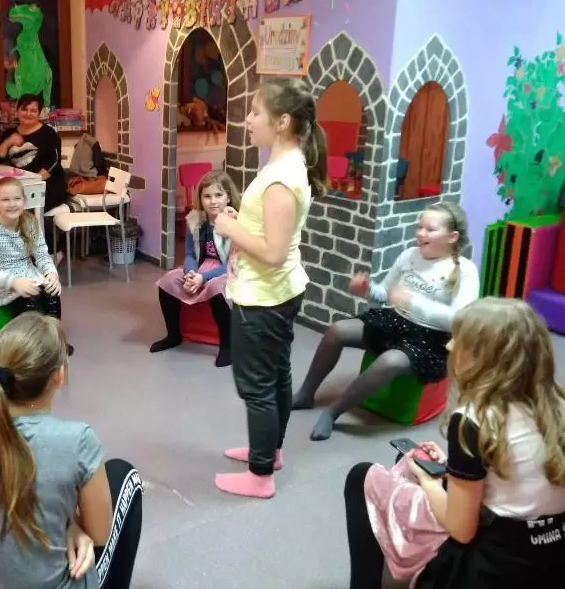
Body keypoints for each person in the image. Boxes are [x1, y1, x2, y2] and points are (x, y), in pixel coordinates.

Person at [343, 298, 565, 588]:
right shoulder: (557, 406)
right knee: (418, 467)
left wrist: (429, 480)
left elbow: (462, 529)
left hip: (492, 567)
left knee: (363, 476)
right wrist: (454, 468)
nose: (449, 345)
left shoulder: (475, 419)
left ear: (485, 356)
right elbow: (519, 477)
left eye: (459, 339)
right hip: (551, 557)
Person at [0, 313, 144, 589]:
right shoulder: (77, 441)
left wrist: (71, 526)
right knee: (124, 475)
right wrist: (75, 525)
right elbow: (99, 535)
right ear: (59, 376)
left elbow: (11, 497)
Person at [210, 77, 327, 498]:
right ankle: (269, 451)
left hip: (264, 298)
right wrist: (240, 220)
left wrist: (228, 227)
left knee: (257, 385)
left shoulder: (281, 178)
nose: (248, 119)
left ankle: (260, 475)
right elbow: (270, 232)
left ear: (282, 122)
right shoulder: (284, 167)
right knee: (276, 375)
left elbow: (273, 252)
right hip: (276, 292)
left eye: (256, 112)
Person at [292, 202, 480, 441]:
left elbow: (458, 320)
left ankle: (333, 412)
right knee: (337, 330)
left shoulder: (466, 270)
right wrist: (368, 288)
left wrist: (412, 302)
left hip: (431, 339)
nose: (421, 233)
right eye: (419, 227)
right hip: (396, 321)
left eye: (430, 229)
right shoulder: (409, 255)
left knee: (390, 361)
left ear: (452, 237)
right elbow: (385, 293)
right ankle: (306, 394)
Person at [150, 170, 241, 367]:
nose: (213, 201)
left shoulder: (235, 223)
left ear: (228, 197)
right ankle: (173, 335)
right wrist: (190, 272)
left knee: (216, 288)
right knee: (167, 281)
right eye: (207, 196)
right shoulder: (195, 222)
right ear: (200, 198)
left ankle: (228, 346)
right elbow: (190, 254)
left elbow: (232, 262)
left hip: (228, 270)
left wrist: (204, 278)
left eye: (218, 195)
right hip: (201, 268)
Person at [0, 177, 74, 355]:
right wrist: (14, 282)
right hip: (1, 280)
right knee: (30, 297)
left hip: (28, 273)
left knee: (51, 292)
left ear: (24, 200)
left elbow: (42, 254)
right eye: (5, 199)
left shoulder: (30, 222)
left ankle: (54, 341)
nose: (12, 204)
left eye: (17, 198)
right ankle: (26, 346)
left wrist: (52, 274)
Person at [0, 93, 68, 258]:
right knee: (6, 207)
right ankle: (19, 253)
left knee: (28, 208)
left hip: (49, 185)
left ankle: (50, 252)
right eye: (24, 109)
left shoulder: (48, 133)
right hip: (21, 186)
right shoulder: (10, 133)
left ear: (39, 113)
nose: (28, 113)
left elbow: (54, 162)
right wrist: (9, 141)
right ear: (17, 111)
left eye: (33, 110)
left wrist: (34, 182)